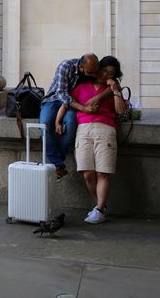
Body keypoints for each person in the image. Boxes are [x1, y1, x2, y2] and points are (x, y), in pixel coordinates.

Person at [56, 56, 127, 224]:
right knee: (87, 173)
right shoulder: (80, 87)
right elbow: (66, 104)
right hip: (83, 130)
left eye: (111, 73)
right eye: (104, 71)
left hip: (106, 128)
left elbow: (120, 111)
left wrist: (116, 90)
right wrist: (57, 121)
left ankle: (100, 209)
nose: (106, 75)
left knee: (102, 172)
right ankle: (99, 205)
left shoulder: (112, 89)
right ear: (98, 70)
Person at [39, 54, 107, 180]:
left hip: (73, 105)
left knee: (71, 125)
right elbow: (61, 93)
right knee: (44, 124)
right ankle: (58, 165)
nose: (93, 74)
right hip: (55, 100)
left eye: (95, 71)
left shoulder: (94, 69)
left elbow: (109, 82)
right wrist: (84, 108)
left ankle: (57, 164)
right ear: (81, 67)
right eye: (90, 72)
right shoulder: (66, 66)